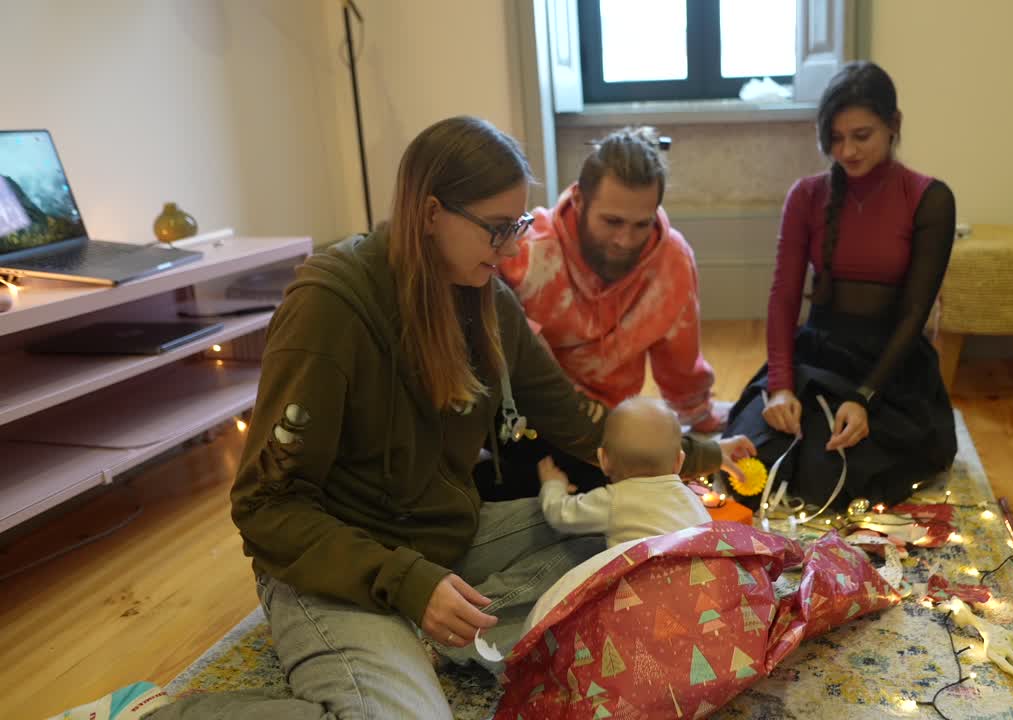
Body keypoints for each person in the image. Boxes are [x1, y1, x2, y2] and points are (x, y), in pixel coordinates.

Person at [51, 116, 754, 720]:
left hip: (440, 537)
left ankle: (420, 642)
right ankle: (149, 711)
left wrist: (700, 456)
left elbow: (573, 419)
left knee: (633, 540)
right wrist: (408, 583)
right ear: (429, 212)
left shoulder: (481, 297)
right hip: (333, 564)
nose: (512, 248)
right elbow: (267, 506)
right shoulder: (330, 305)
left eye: (518, 226)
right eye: (496, 228)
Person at [725, 61, 958, 512]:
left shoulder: (931, 199)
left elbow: (915, 315)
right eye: (835, 138)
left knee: (823, 475)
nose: (847, 151)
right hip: (818, 352)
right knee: (753, 458)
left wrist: (865, 397)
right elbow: (784, 298)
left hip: (889, 365)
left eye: (861, 135)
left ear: (894, 126)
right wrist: (780, 386)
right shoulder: (806, 195)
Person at [479, 127, 723, 502]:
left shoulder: (672, 261)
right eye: (612, 222)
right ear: (578, 199)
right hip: (530, 423)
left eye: (641, 224)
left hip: (609, 434)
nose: (625, 240)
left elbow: (681, 369)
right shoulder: (525, 251)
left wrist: (703, 421)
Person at [538, 397, 713, 549]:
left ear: (603, 460)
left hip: (649, 584)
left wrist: (553, 484)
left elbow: (561, 515)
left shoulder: (613, 500)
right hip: (712, 578)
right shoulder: (690, 497)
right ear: (679, 462)